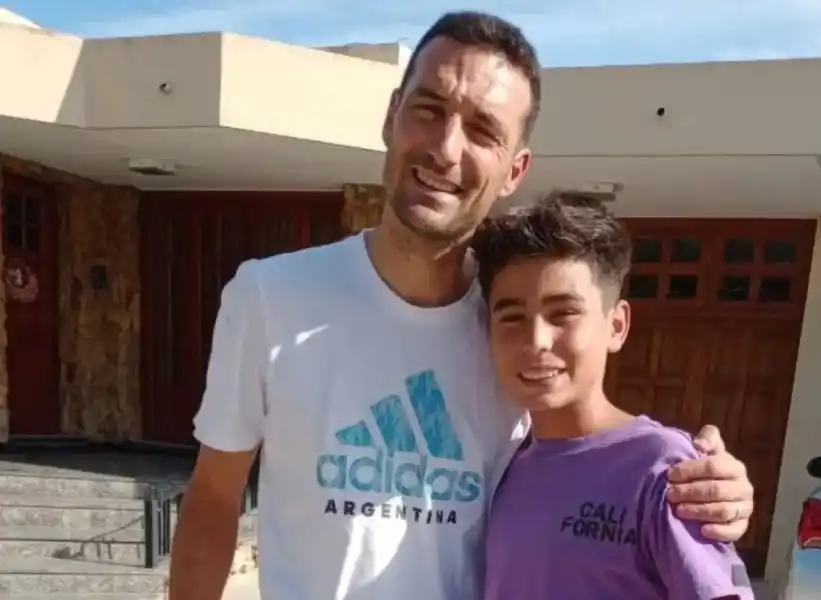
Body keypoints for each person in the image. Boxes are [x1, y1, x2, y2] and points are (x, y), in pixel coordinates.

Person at [167, 11, 755, 600]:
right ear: (391, 117)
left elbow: (590, 449)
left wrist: (702, 483)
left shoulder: (511, 325)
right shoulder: (269, 296)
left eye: (483, 130)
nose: (446, 148)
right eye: (428, 109)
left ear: (513, 170)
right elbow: (214, 499)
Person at [475, 196, 754, 600]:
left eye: (563, 314)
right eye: (512, 317)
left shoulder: (664, 470)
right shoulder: (503, 464)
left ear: (617, 326)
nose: (536, 341)